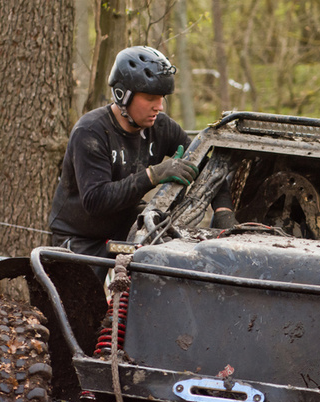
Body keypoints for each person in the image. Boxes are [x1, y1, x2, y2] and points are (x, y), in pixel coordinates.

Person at [48, 46, 234, 282]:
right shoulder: (90, 132)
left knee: (153, 283)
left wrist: (223, 212)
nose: (159, 106)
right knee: (80, 311)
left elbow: (209, 168)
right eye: (150, 98)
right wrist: (152, 175)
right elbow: (95, 200)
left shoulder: (163, 128)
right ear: (122, 95)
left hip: (127, 225)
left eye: (162, 98)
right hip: (79, 234)